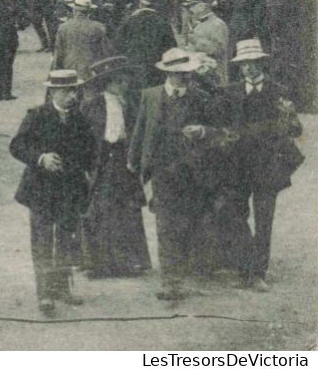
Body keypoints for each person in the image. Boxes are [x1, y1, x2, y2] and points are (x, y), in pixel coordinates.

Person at [127, 47, 223, 302]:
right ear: (167, 73)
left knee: (190, 222)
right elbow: (140, 130)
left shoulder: (200, 97)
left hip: (193, 172)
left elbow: (218, 132)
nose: (183, 78)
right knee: (166, 225)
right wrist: (133, 161)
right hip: (161, 172)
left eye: (186, 73)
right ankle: (170, 281)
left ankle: (189, 270)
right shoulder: (150, 96)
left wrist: (202, 131)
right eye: (178, 73)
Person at [217, 38, 304, 291]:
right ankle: (245, 266)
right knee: (234, 213)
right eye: (244, 64)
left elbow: (297, 130)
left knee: (264, 220)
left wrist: (288, 116)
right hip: (237, 166)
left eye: (254, 63)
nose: (249, 68)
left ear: (262, 64)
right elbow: (221, 127)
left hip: (267, 167)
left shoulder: (279, 92)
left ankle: (258, 273)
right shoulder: (230, 92)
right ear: (239, 66)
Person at [9, 70, 97, 314]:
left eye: (75, 91)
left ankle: (62, 287)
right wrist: (40, 158)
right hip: (41, 191)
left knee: (66, 239)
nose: (72, 96)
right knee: (42, 240)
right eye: (67, 91)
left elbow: (90, 152)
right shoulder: (37, 116)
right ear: (53, 92)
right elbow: (16, 146)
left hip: (70, 190)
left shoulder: (80, 119)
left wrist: (84, 172)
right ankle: (45, 294)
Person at [78, 55, 151, 278]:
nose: (125, 85)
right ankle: (97, 263)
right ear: (108, 83)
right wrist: (87, 164)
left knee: (127, 210)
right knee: (98, 211)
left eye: (125, 81)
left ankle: (130, 261)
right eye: (120, 81)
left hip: (123, 160)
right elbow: (83, 136)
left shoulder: (130, 104)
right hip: (101, 161)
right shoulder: (93, 105)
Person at [52, 0, 113, 81]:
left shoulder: (63, 28)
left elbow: (58, 54)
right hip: (92, 71)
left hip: (70, 71)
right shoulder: (99, 27)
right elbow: (107, 51)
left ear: (74, 10)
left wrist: (55, 72)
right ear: (90, 12)